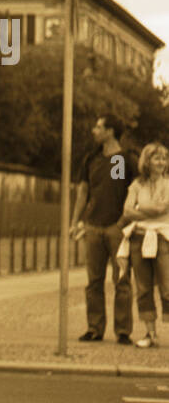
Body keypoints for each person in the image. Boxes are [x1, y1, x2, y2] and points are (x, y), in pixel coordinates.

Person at [70, 113, 135, 343]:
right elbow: (83, 192)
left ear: (110, 131)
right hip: (93, 226)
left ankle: (123, 330)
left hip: (117, 227)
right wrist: (75, 221)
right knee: (93, 281)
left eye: (98, 127)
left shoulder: (122, 160)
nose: (94, 131)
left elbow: (125, 190)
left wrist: (126, 222)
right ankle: (94, 328)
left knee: (122, 281)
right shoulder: (91, 159)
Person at [117, 142, 169, 349]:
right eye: (157, 158)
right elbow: (127, 211)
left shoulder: (168, 184)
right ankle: (150, 333)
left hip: (163, 238)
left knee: (167, 286)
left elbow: (161, 208)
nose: (162, 162)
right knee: (143, 288)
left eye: (164, 158)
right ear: (147, 161)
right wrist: (149, 210)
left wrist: (141, 209)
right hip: (138, 237)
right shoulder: (136, 185)